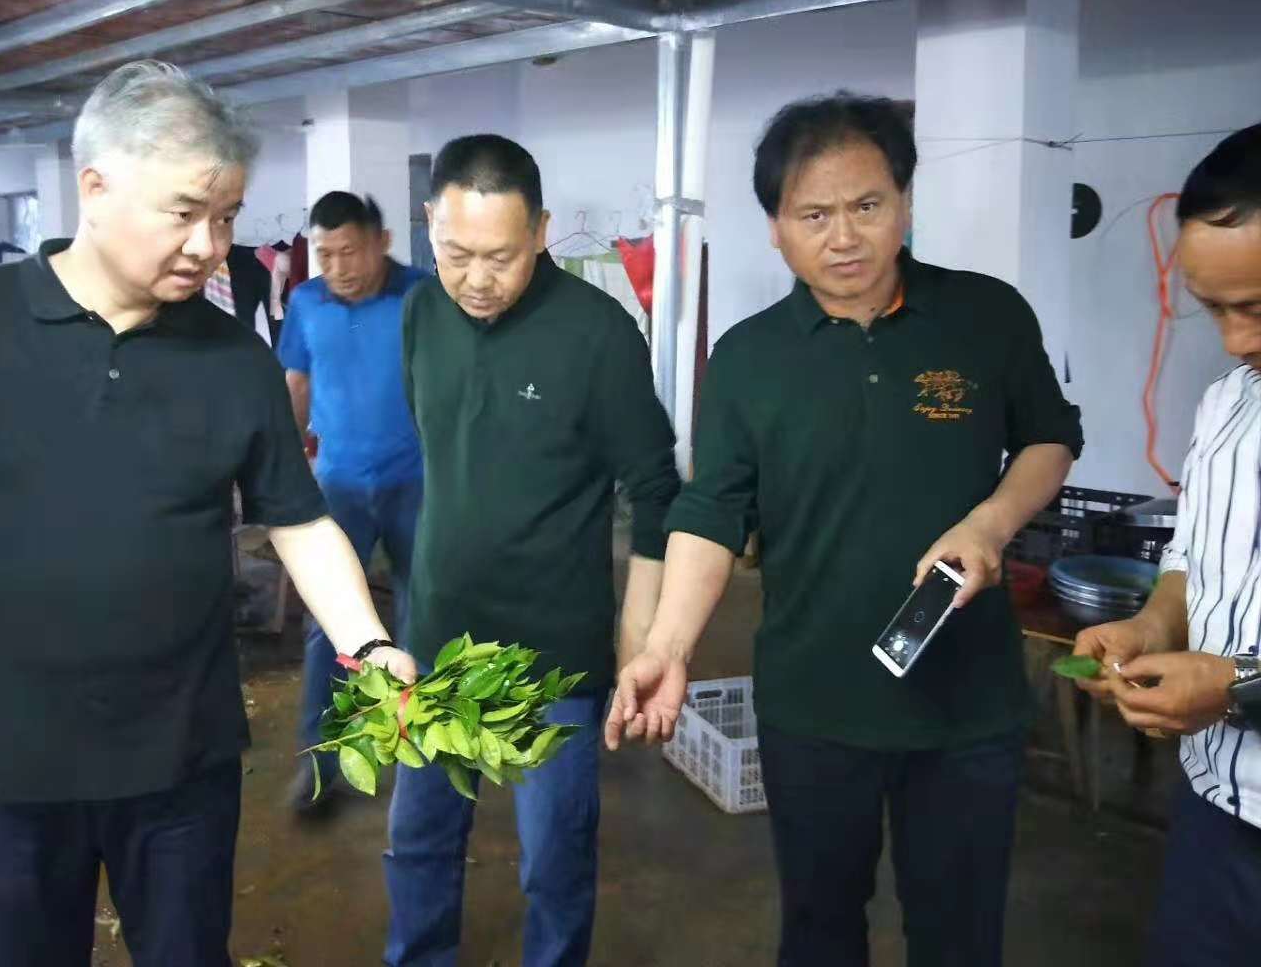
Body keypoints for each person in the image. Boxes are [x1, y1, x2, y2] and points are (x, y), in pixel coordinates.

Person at [0, 61, 416, 967]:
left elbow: (298, 519)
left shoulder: (232, 359)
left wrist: (369, 644)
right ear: (95, 187)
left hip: (179, 753)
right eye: (183, 212)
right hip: (5, 753)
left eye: (224, 217)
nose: (209, 244)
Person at [608, 92, 1083, 967]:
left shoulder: (986, 315)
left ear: (905, 203)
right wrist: (668, 644)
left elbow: (1051, 437)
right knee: (821, 930)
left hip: (968, 703)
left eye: (867, 206)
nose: (844, 237)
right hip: (814, 704)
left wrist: (989, 521)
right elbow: (713, 510)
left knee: (961, 933)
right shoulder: (749, 358)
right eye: (813, 214)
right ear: (776, 228)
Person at [385, 134, 680, 966]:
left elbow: (656, 489)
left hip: (555, 653)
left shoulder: (597, 333)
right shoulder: (419, 311)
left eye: (502, 257)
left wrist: (642, 635)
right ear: (429, 229)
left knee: (552, 863)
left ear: (542, 231)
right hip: (438, 638)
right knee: (417, 844)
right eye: (455, 254)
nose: (477, 280)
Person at [1069, 123, 1261, 967]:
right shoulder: (1228, 406)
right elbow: (1195, 554)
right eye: (1214, 307)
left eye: (1257, 307)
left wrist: (1241, 686)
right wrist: (1154, 627)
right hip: (1216, 815)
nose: (1235, 340)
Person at [275, 191, 427, 810]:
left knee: (425, 611)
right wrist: (283, 471)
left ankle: (422, 745)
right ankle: (323, 762)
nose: (337, 266)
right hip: (339, 484)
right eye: (325, 254)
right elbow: (297, 382)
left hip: (416, 481)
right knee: (331, 625)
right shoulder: (306, 303)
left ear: (381, 242)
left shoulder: (422, 297)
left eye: (350, 251)